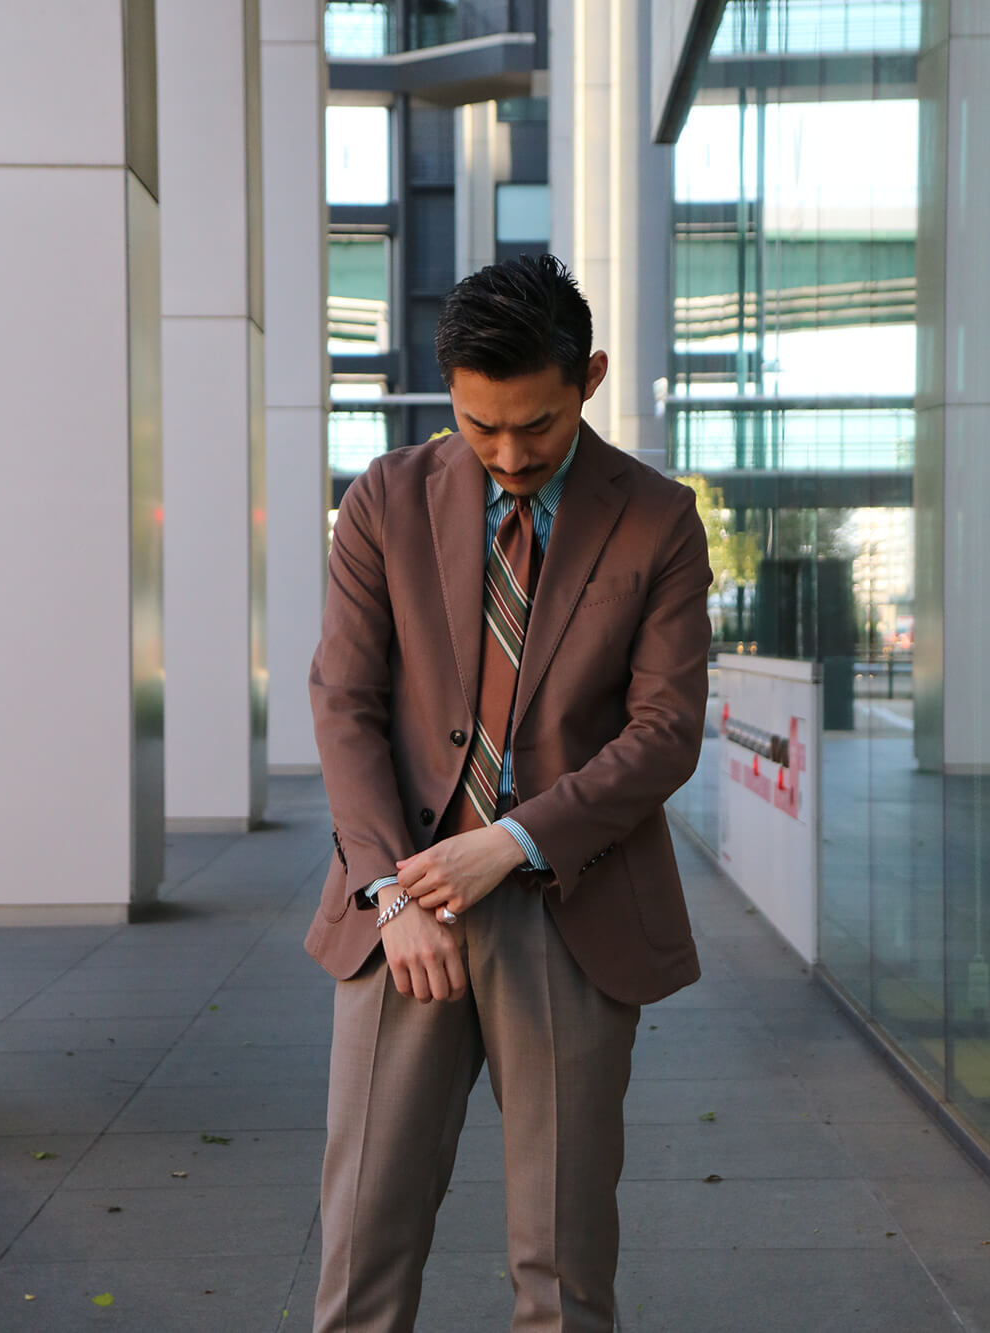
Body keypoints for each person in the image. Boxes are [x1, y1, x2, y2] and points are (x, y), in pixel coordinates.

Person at [305, 254, 712, 1332]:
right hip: (403, 905)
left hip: (571, 909)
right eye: (479, 425)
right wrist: (391, 892)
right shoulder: (384, 501)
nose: (509, 453)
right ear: (449, 389)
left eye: (536, 424)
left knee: (562, 1271)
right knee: (360, 1252)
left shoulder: (658, 519)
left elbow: (665, 732)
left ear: (590, 377)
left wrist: (514, 839)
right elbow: (343, 702)